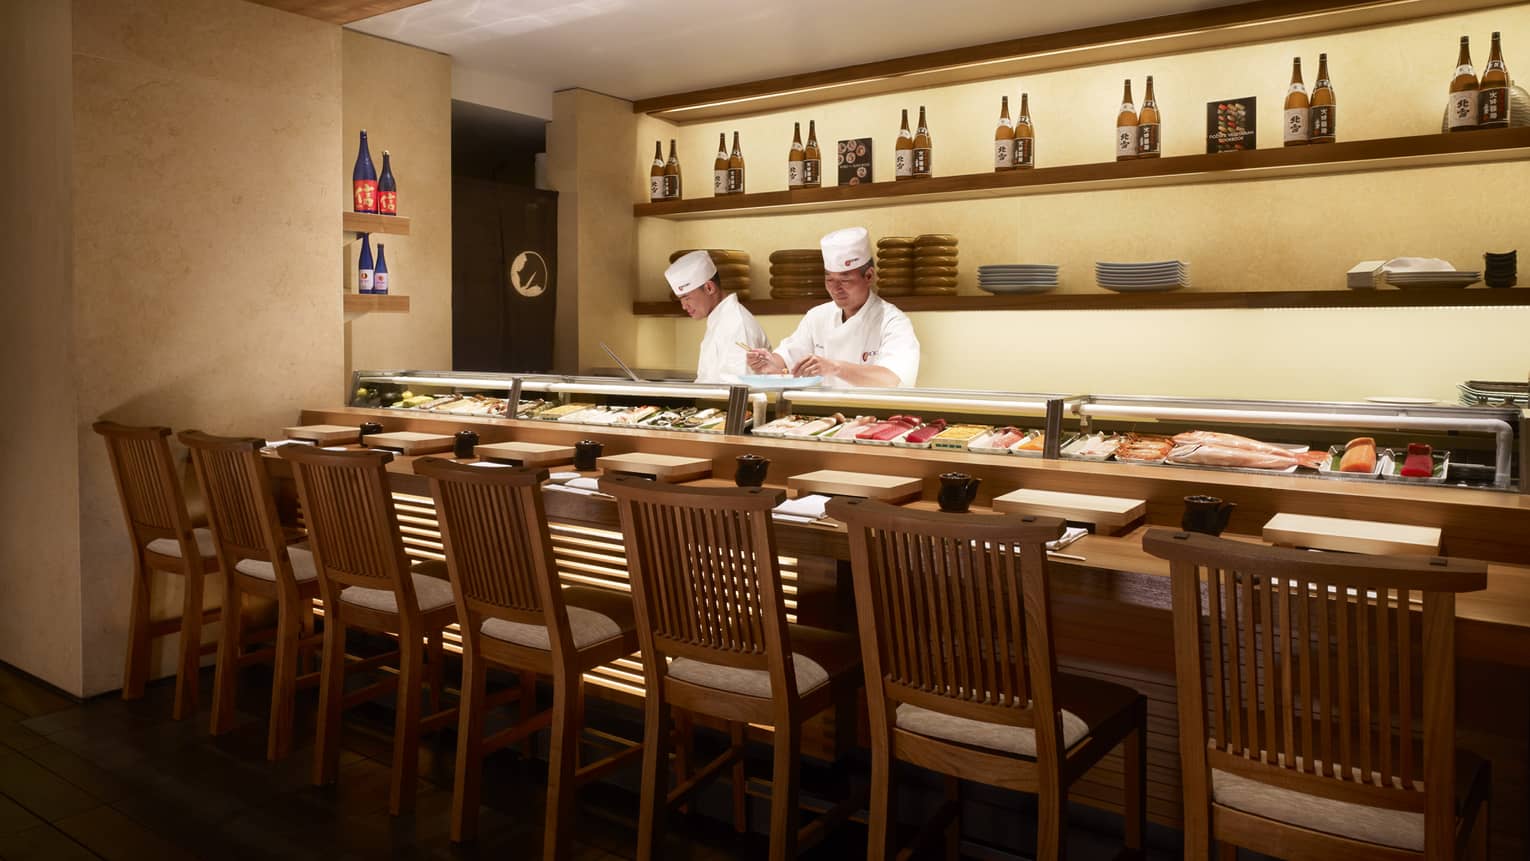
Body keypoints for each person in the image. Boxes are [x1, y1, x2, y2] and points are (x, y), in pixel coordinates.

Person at [745, 227, 920, 388]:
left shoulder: (893, 321)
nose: (836, 289)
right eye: (829, 280)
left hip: (878, 417)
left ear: (869, 276)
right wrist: (769, 363)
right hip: (829, 414)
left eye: (845, 280)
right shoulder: (817, 316)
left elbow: (890, 379)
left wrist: (834, 368)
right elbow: (786, 360)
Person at [665, 249, 769, 383]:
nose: (684, 306)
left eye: (686, 298)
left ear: (709, 288)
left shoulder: (737, 324)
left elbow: (740, 390)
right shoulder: (720, 320)